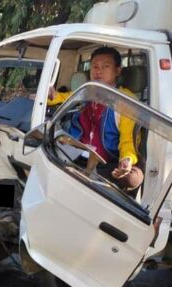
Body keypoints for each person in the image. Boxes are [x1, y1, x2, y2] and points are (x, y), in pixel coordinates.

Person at [48, 47, 143, 191]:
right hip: (76, 152)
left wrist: (127, 159)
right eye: (95, 67)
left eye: (105, 66)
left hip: (105, 161)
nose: (99, 71)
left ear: (117, 71)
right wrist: (51, 96)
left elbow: (128, 139)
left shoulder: (125, 101)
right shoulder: (88, 91)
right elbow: (63, 98)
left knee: (132, 177)